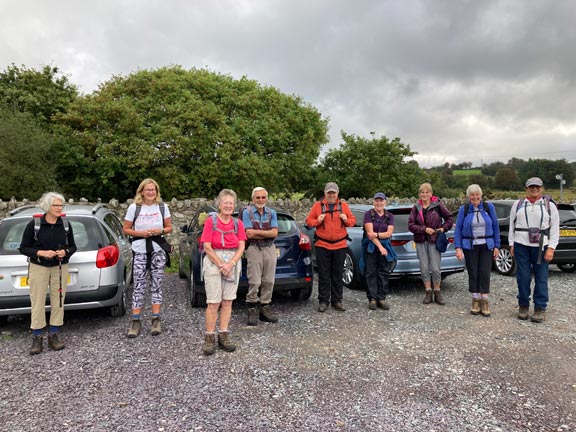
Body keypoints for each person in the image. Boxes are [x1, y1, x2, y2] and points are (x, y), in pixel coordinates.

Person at [19, 192, 77, 355]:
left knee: (58, 300)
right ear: (47, 206)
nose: (59, 208)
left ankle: (54, 334)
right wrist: (42, 253)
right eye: (56, 205)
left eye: (61, 205)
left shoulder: (65, 224)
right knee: (37, 301)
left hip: (59, 266)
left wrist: (65, 253)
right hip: (39, 267)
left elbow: (73, 246)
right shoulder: (34, 225)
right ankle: (37, 337)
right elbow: (24, 248)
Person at [123, 179, 172, 338]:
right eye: (147, 190)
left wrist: (160, 230)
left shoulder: (162, 207)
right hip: (140, 250)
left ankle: (155, 319)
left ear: (157, 192)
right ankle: (135, 321)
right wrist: (141, 234)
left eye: (153, 190)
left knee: (157, 284)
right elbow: (126, 229)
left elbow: (169, 227)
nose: (150, 192)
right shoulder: (134, 208)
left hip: (157, 250)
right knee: (138, 285)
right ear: (141, 191)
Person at [200, 189, 247, 355]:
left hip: (233, 260)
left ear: (234, 206)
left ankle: (224, 335)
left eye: (231, 203)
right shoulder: (210, 222)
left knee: (228, 301)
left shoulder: (238, 224)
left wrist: (231, 263)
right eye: (225, 202)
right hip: (214, 262)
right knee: (213, 302)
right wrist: (222, 265)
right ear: (219, 204)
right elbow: (207, 246)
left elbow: (241, 245)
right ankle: (209, 337)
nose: (228, 206)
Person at [509, 177, 559, 323]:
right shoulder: (518, 204)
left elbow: (555, 229)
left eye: (537, 187)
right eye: (531, 187)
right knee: (523, 277)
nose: (534, 189)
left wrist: (551, 248)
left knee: (541, 278)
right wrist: (512, 244)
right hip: (521, 245)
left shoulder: (549, 206)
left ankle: (540, 308)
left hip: (541, 246)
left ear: (542, 188)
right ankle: (523, 305)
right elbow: (513, 226)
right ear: (526, 189)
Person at [305, 182, 356, 312]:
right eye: (329, 192)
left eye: (333, 192)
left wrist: (345, 219)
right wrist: (318, 221)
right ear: (325, 193)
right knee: (323, 275)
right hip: (322, 245)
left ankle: (337, 301)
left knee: (338, 275)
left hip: (340, 245)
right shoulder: (318, 206)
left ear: (337, 193)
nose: (331, 195)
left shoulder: (343, 206)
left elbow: (352, 221)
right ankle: (323, 301)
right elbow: (308, 222)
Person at [454, 184, 500, 317]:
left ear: (481, 195)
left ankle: (484, 300)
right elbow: (458, 230)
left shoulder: (488, 207)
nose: (475, 197)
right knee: (473, 272)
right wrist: (458, 247)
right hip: (470, 245)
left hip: (487, 244)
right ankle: (475, 299)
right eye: (472, 195)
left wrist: (497, 246)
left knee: (485, 272)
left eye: (477, 194)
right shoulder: (464, 209)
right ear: (468, 197)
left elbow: (495, 226)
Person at [408, 182, 454, 305]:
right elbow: (411, 225)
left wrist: (444, 228)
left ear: (431, 194)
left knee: (435, 268)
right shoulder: (416, 208)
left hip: (434, 240)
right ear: (419, 194)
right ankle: (428, 292)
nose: (424, 194)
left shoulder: (438, 205)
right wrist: (424, 229)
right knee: (423, 268)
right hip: (420, 241)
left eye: (427, 192)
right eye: (422, 192)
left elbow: (450, 218)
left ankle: (437, 292)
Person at [242, 187, 279, 326]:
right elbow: (248, 234)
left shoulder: (272, 213)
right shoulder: (247, 212)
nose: (261, 200)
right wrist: (266, 232)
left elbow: (275, 233)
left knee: (269, 280)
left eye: (263, 197)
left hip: (270, 248)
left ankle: (265, 307)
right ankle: (252, 307)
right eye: (258, 197)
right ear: (253, 199)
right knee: (255, 281)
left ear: (267, 198)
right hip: (254, 248)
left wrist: (257, 232)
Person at [362, 192, 395, 310]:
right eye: (376, 200)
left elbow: (389, 233)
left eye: (381, 201)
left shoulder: (390, 216)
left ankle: (381, 298)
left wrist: (377, 235)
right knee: (370, 272)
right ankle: (372, 299)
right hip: (371, 248)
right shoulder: (368, 214)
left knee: (383, 272)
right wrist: (381, 247)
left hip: (385, 248)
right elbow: (369, 234)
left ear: (385, 202)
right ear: (373, 202)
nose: (379, 203)